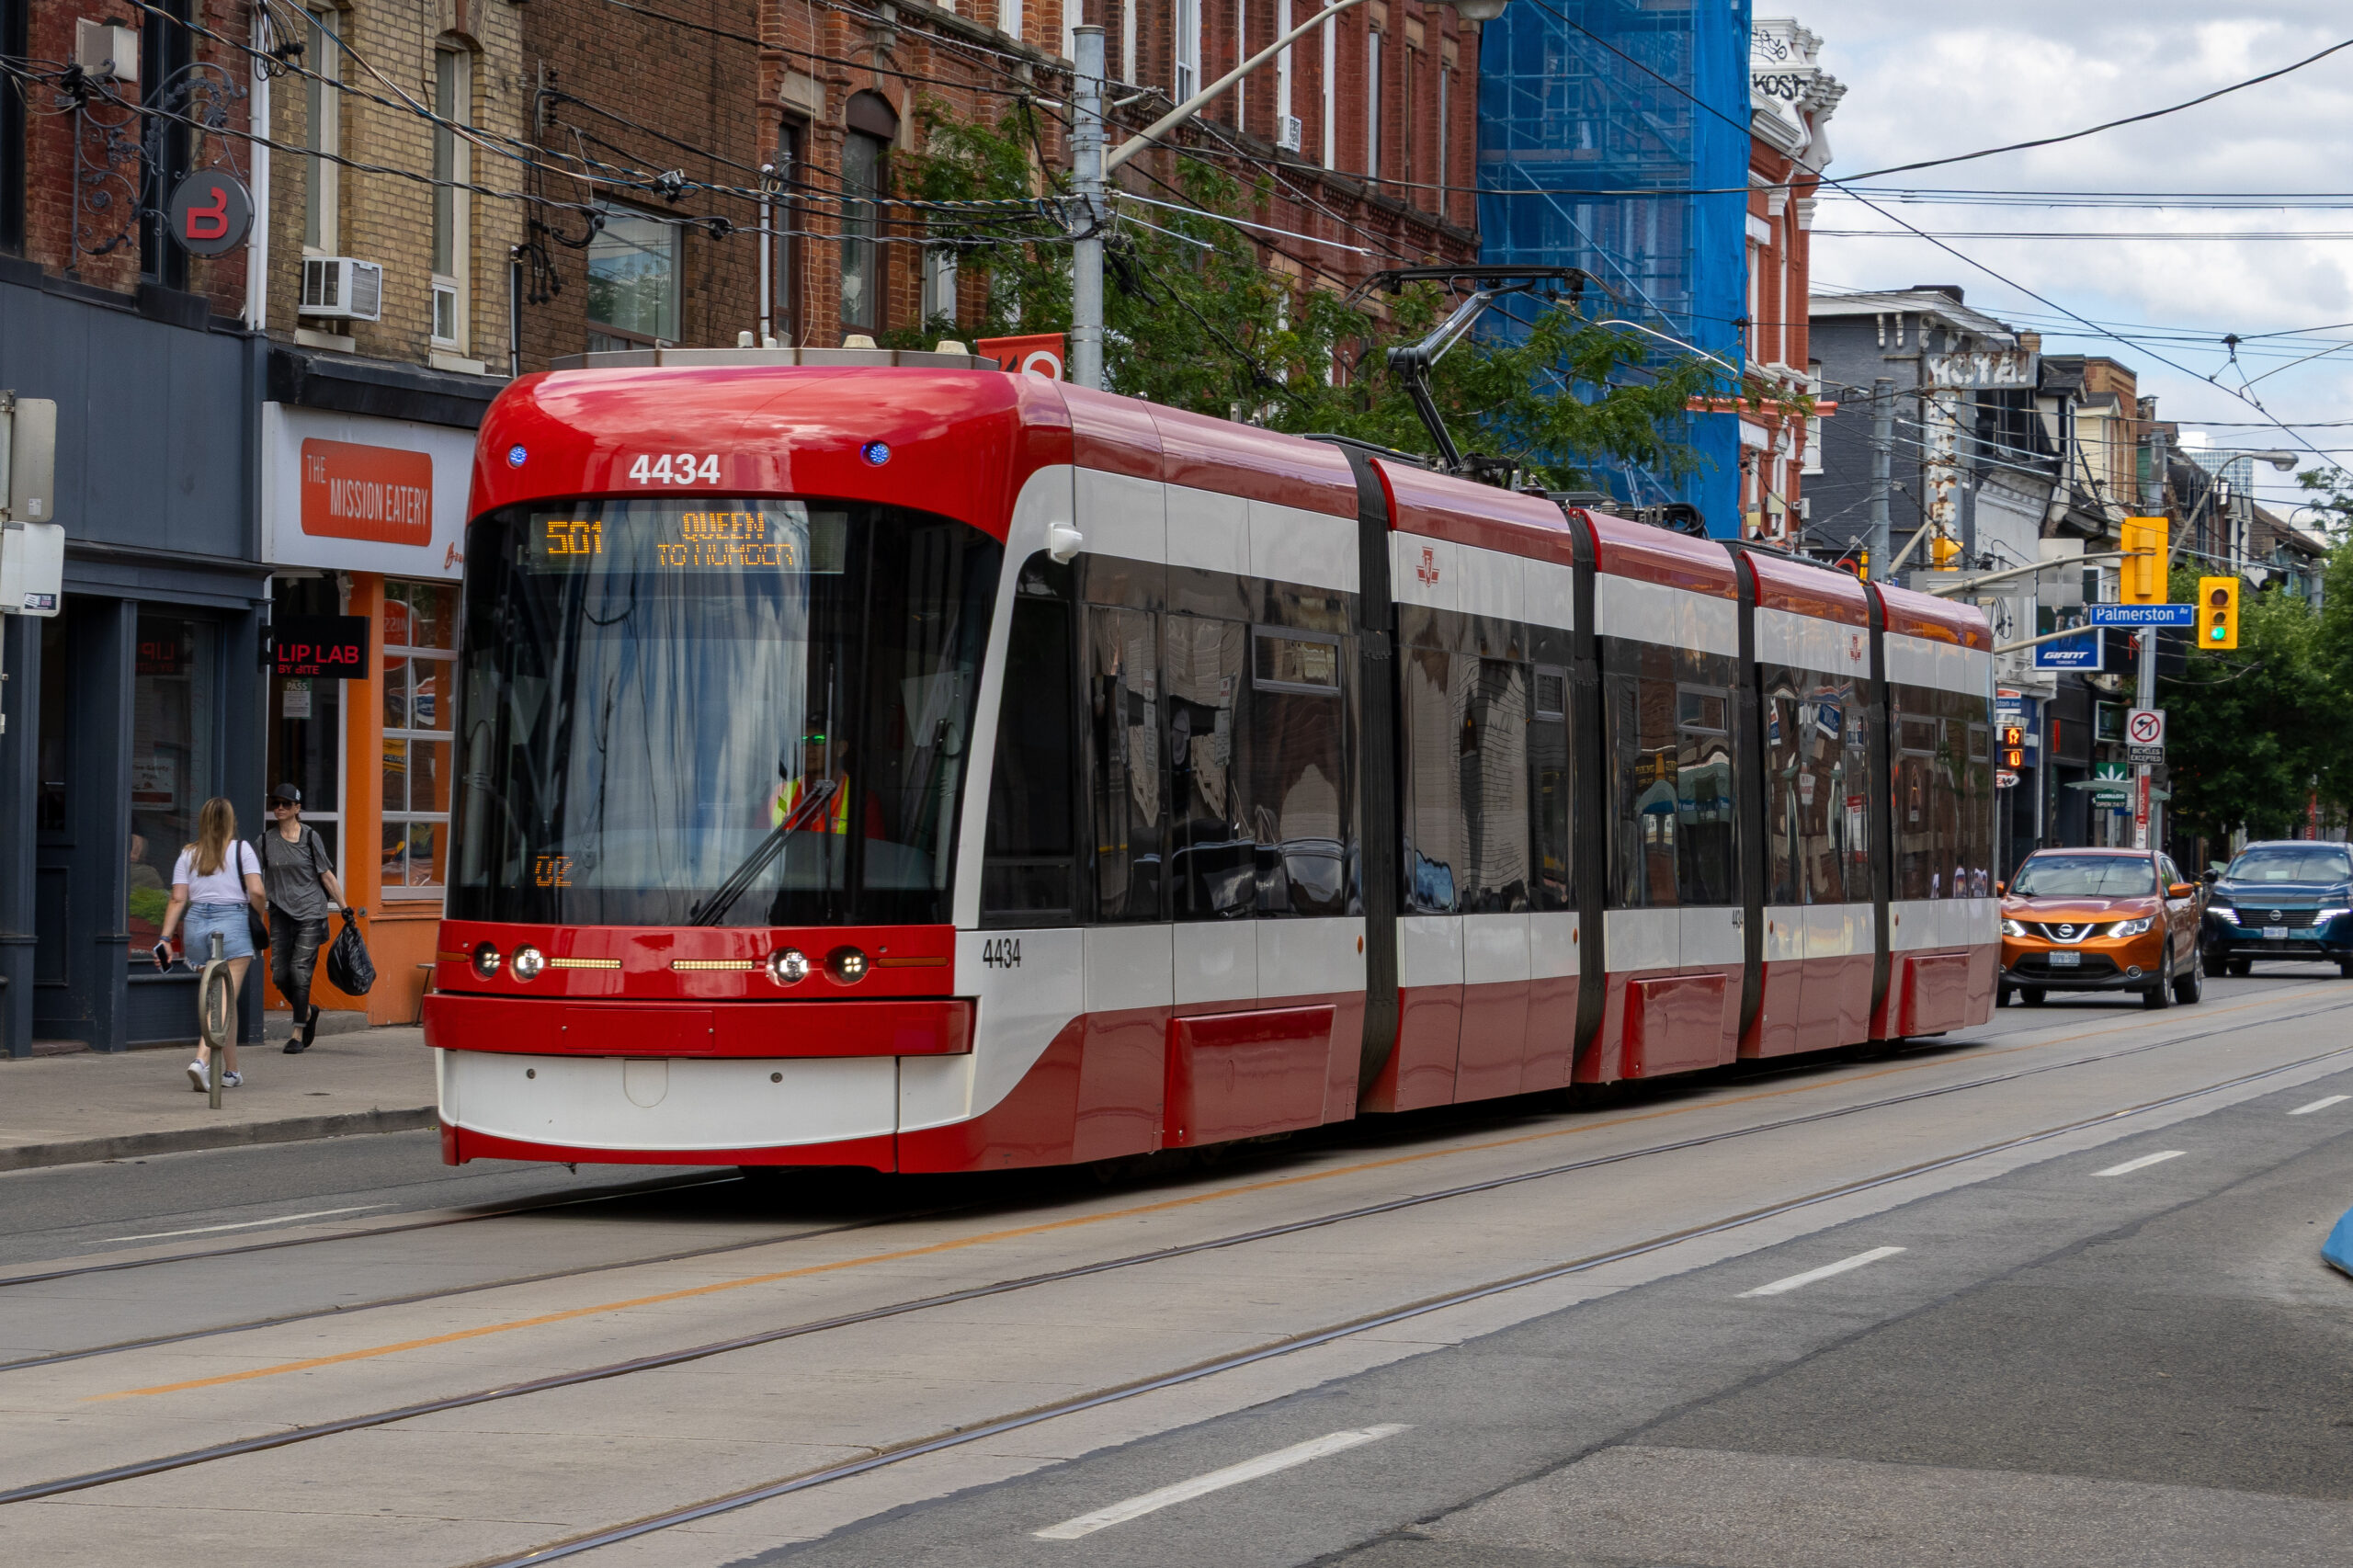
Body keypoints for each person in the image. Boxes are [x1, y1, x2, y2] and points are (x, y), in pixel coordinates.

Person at [153, 796, 267, 1091]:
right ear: (232, 822)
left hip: (196, 926)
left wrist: (165, 938)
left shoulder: (188, 854)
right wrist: (257, 916)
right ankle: (201, 1060)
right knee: (222, 999)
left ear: (201, 822)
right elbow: (256, 892)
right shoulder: (242, 850)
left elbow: (177, 898)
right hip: (233, 923)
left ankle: (232, 1071)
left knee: (224, 998)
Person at [256, 783, 347, 1053]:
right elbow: (253, 879)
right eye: (275, 803)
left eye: (286, 804)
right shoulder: (265, 841)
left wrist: (345, 908)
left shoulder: (310, 837)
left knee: (299, 970)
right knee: (279, 974)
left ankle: (297, 1032)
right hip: (280, 913)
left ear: (297, 808)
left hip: (310, 912)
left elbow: (326, 875)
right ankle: (307, 1010)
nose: (280, 808)